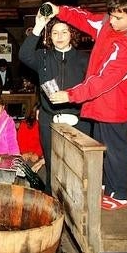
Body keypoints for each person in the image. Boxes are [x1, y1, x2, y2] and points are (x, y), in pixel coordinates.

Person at [46, 0, 127, 210]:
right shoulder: (109, 23)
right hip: (99, 101)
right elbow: (87, 19)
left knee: (116, 148)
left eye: (118, 18)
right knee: (103, 146)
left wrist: (71, 94)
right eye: (111, 15)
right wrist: (59, 10)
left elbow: (104, 79)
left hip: (115, 103)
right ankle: (107, 185)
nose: (111, 22)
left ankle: (120, 193)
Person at [19, 16, 91, 194]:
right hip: (49, 120)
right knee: (52, 165)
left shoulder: (85, 59)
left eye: (64, 32)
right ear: (49, 36)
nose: (59, 36)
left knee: (77, 167)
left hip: (79, 121)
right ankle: (53, 204)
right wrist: (39, 26)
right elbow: (24, 55)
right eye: (55, 32)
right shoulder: (43, 56)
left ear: (72, 34)